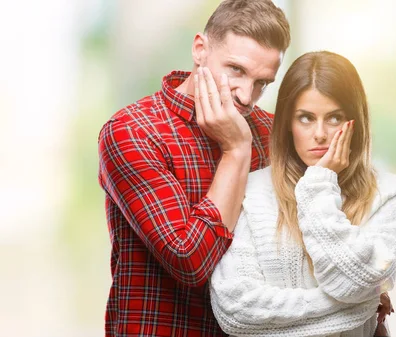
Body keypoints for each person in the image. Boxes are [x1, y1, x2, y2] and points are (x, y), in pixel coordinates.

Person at [97, 1, 290, 336]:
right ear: (200, 49)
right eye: (236, 70)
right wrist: (235, 151)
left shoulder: (275, 135)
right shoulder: (132, 131)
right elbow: (190, 261)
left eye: (262, 83)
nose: (247, 96)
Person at [209, 51, 396, 336]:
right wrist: (361, 305)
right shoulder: (252, 192)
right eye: (305, 118)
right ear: (287, 124)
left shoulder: (389, 193)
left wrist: (319, 184)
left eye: (334, 118)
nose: (320, 134)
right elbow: (235, 310)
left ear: (355, 121)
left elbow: (351, 281)